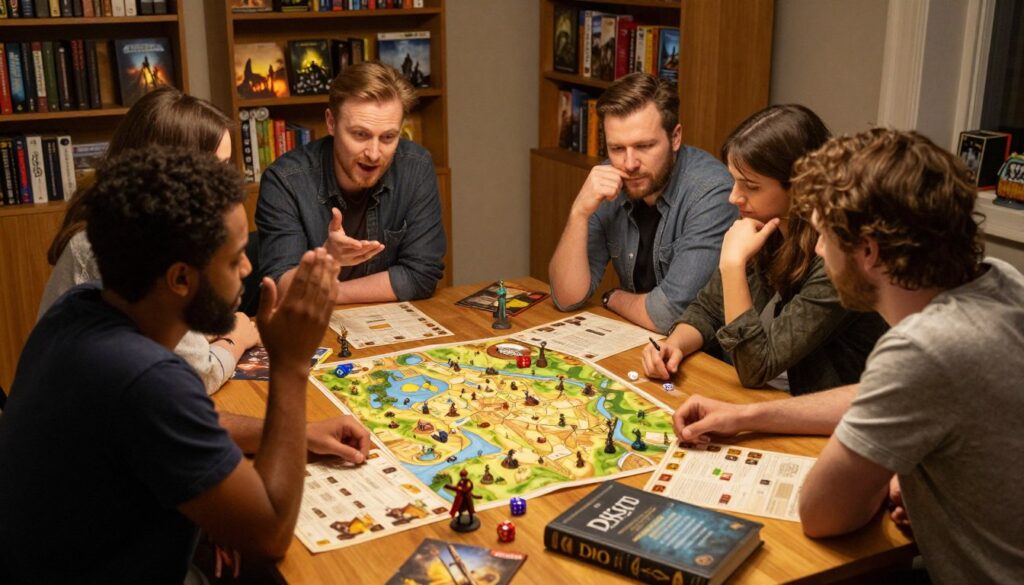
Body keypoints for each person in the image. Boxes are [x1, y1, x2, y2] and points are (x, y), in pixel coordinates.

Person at [0, 148, 370, 584]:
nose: (249, 268)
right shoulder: (144, 377)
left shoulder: (77, 310)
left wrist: (299, 435)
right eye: (234, 260)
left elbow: (180, 422)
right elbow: (268, 534)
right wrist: (290, 365)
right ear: (180, 279)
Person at [670, 128, 1024, 584]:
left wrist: (902, 464)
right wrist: (749, 415)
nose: (817, 248)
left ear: (869, 252)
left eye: (824, 236)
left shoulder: (922, 348)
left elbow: (822, 515)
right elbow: (882, 395)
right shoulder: (1001, 279)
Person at [642, 105, 887, 395]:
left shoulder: (834, 257)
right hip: (759, 398)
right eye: (734, 181)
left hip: (815, 415)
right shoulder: (763, 225)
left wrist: (732, 266)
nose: (734, 197)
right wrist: (674, 344)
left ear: (800, 187)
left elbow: (754, 367)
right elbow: (707, 309)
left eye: (751, 186)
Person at [40, 87, 260, 394]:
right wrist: (237, 338)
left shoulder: (123, 220)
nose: (228, 179)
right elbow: (195, 376)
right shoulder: (121, 243)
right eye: (217, 168)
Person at [548, 73, 735, 333]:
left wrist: (611, 297)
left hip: (705, 359)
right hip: (638, 342)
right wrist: (579, 213)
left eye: (644, 146)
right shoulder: (608, 177)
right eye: (617, 149)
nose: (629, 164)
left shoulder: (712, 192)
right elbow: (566, 297)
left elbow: (668, 315)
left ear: (676, 137)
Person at [257, 61, 445, 304]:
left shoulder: (415, 166)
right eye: (360, 135)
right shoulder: (284, 181)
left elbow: (421, 275)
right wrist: (328, 259)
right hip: (309, 328)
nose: (374, 153)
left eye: (388, 137)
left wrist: (329, 292)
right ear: (331, 123)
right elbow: (279, 287)